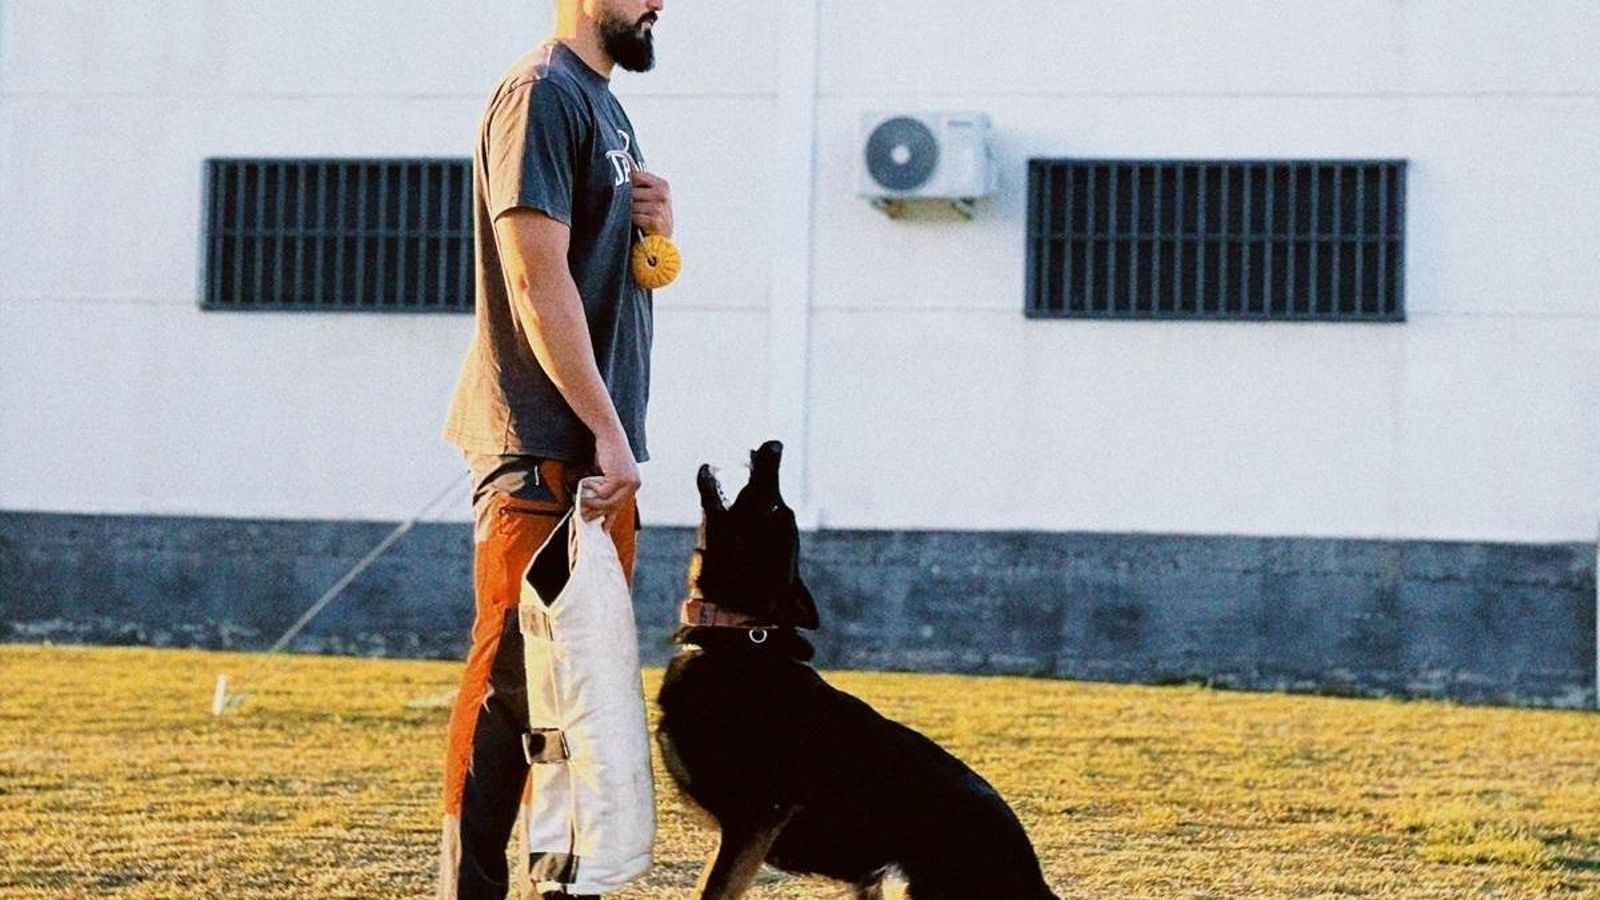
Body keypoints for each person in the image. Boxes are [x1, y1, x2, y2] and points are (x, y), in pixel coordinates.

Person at [436, 1, 669, 897]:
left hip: (598, 462)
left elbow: (599, 277)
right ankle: (469, 888)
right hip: (545, 452)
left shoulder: (606, 104)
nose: (659, 3)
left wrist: (657, 232)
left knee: (580, 697)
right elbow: (534, 278)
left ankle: (561, 883)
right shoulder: (539, 94)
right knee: (512, 688)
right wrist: (605, 432)